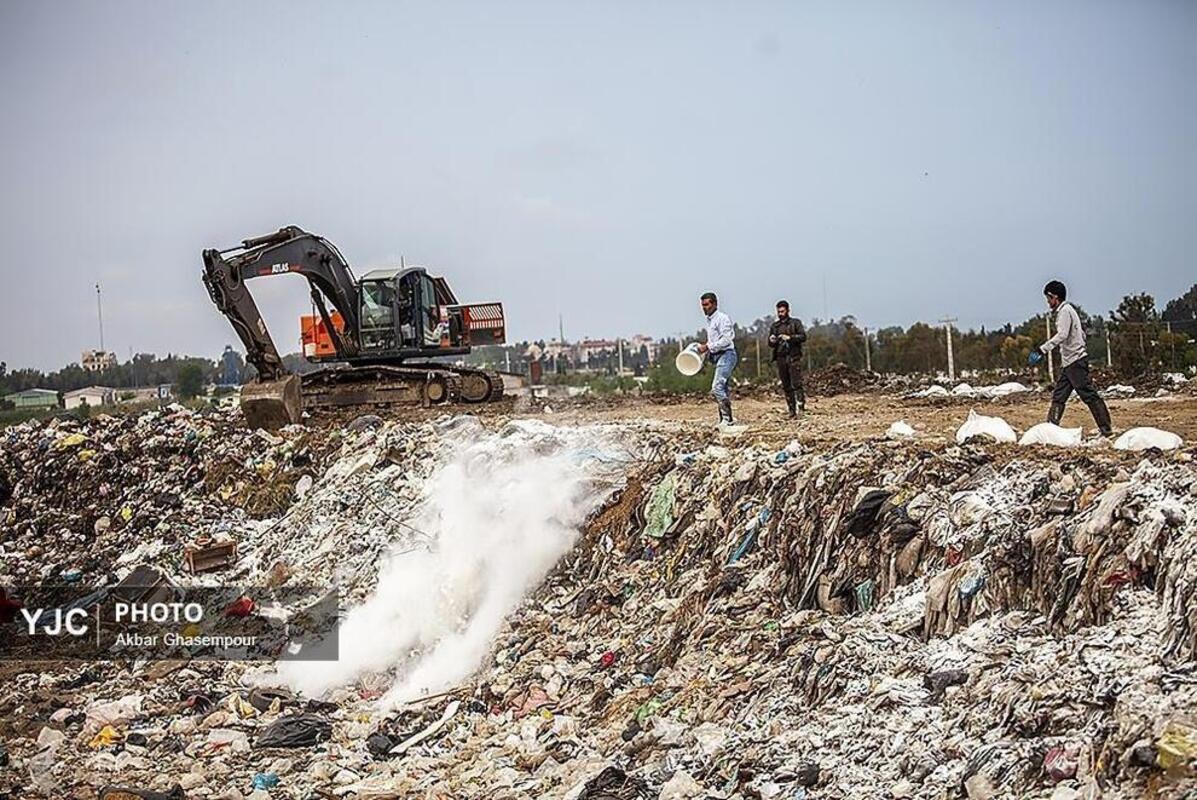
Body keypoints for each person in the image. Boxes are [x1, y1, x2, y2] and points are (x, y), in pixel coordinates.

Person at [1030, 280, 1113, 436]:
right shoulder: (1069, 311)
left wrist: (1042, 349)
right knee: (1059, 396)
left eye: (1048, 299)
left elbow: (1062, 335)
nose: (1048, 303)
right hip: (1070, 363)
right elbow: (1080, 334)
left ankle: (1106, 428)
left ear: (1054, 297)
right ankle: (1051, 428)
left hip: (1075, 362)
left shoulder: (1064, 312)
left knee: (1088, 394)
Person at [697, 292, 738, 425]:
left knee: (717, 387)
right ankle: (724, 419)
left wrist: (707, 346)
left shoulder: (722, 318)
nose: (704, 308)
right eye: (702, 305)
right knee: (723, 388)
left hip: (727, 354)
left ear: (715, 304)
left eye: (707, 305)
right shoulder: (710, 321)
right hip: (718, 356)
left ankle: (728, 419)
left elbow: (726, 340)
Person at [768, 300, 807, 418]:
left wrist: (789, 338)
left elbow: (803, 336)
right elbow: (770, 344)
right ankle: (791, 409)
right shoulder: (775, 326)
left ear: (788, 311)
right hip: (780, 357)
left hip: (793, 356)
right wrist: (772, 340)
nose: (780, 314)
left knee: (796, 383)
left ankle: (801, 407)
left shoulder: (795, 323)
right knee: (786, 385)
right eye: (778, 312)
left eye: (782, 311)